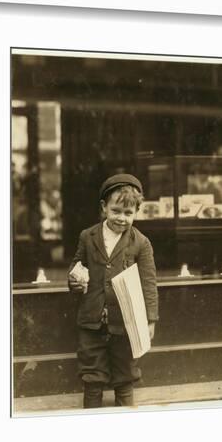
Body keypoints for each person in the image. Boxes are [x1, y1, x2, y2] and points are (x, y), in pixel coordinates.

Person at [68, 174, 159, 409]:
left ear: (137, 212)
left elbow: (149, 282)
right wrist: (75, 280)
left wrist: (150, 320)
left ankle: (125, 420)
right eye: (116, 211)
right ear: (104, 208)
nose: (121, 218)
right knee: (92, 376)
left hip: (126, 321)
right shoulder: (87, 237)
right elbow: (78, 266)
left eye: (128, 213)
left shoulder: (141, 242)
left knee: (125, 375)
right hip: (92, 320)